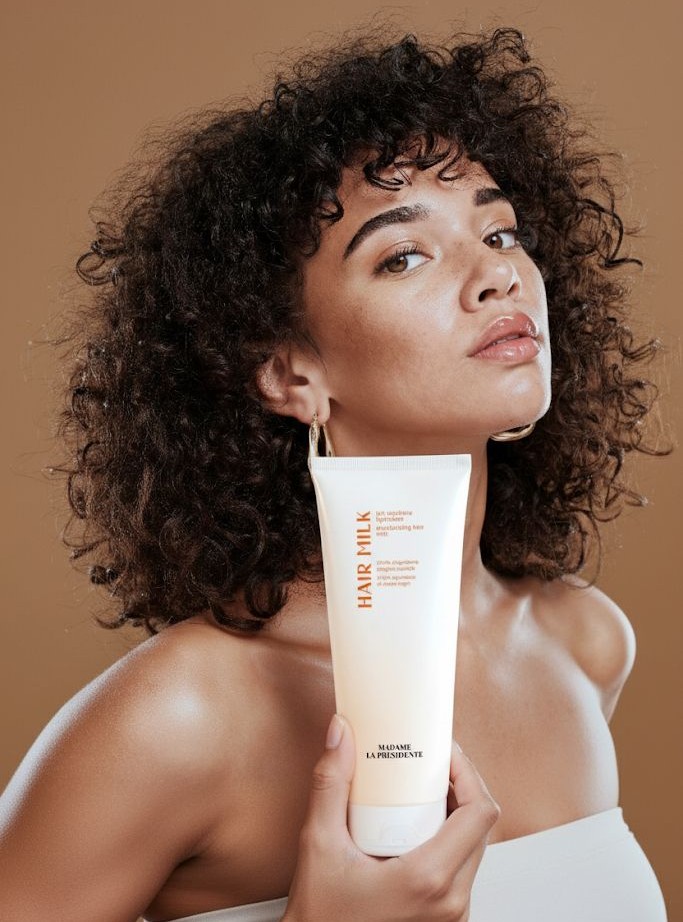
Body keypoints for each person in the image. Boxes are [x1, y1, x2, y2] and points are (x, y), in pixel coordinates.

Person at [0, 26, 669, 922]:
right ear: (291, 375)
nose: (497, 277)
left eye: (500, 231)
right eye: (403, 256)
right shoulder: (183, 712)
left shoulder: (582, 642)